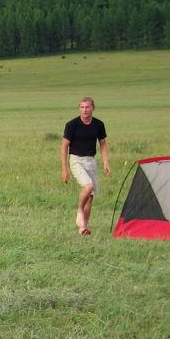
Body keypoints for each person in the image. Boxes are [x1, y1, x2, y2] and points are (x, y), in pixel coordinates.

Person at [60, 96, 110, 235]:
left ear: (93, 108)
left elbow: (103, 144)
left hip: (91, 161)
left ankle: (83, 228)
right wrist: (64, 169)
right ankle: (79, 211)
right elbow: (64, 146)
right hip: (76, 160)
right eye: (82, 107)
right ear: (79, 109)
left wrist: (106, 162)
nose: (85, 110)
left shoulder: (98, 124)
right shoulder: (72, 125)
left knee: (90, 196)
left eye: (87, 107)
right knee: (88, 186)